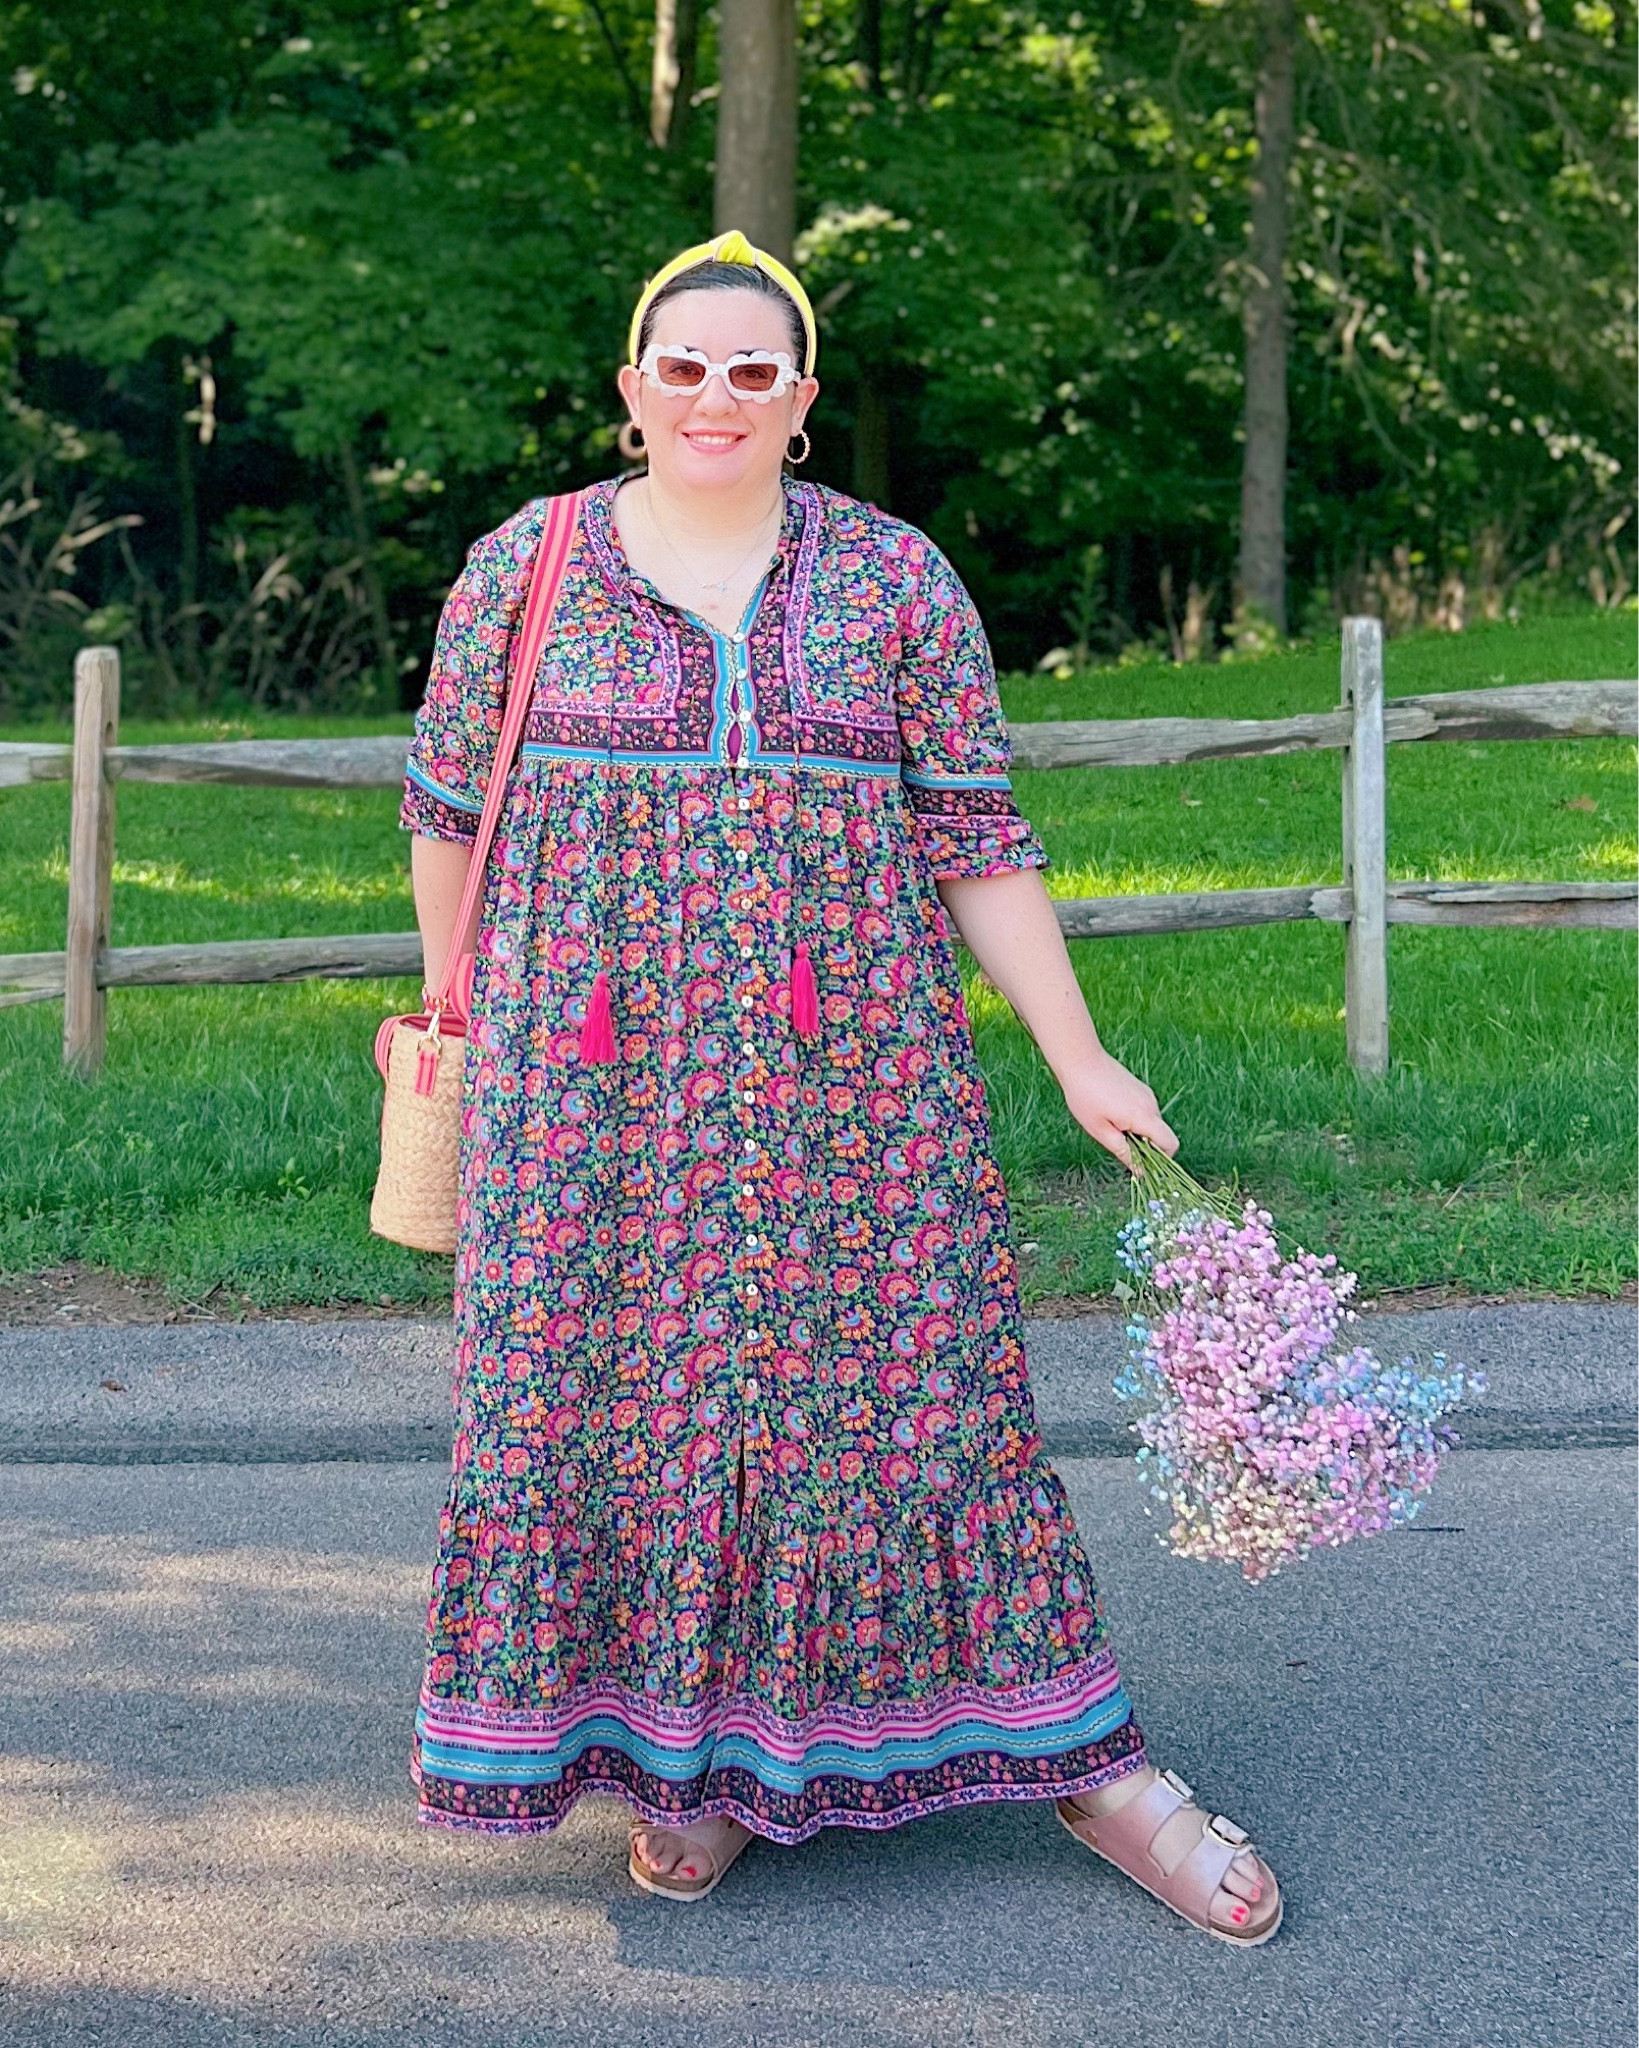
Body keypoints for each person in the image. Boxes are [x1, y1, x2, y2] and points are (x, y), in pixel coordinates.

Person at [400, 230, 1281, 1943]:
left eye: (753, 371)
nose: (715, 397)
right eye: (685, 367)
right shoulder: (525, 566)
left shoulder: (893, 578)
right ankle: (703, 1766)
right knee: (618, 1414)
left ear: (799, 399)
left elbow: (975, 835)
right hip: (593, 1097)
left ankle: (1096, 1774)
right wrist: (476, 1013)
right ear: (635, 387)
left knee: (927, 1402)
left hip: (859, 1087)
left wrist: (1079, 1052)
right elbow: (447, 811)